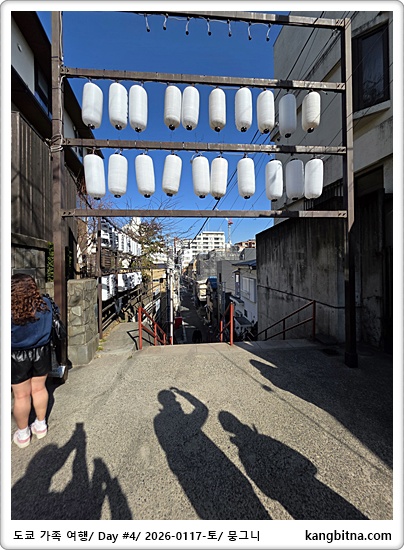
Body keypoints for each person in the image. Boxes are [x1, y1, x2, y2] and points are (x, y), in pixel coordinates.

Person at [11, 274, 55, 448]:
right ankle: (41, 425)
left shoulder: (10, 309)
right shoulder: (45, 304)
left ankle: (23, 434)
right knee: (39, 389)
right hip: (41, 351)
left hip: (16, 355)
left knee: (21, 396)